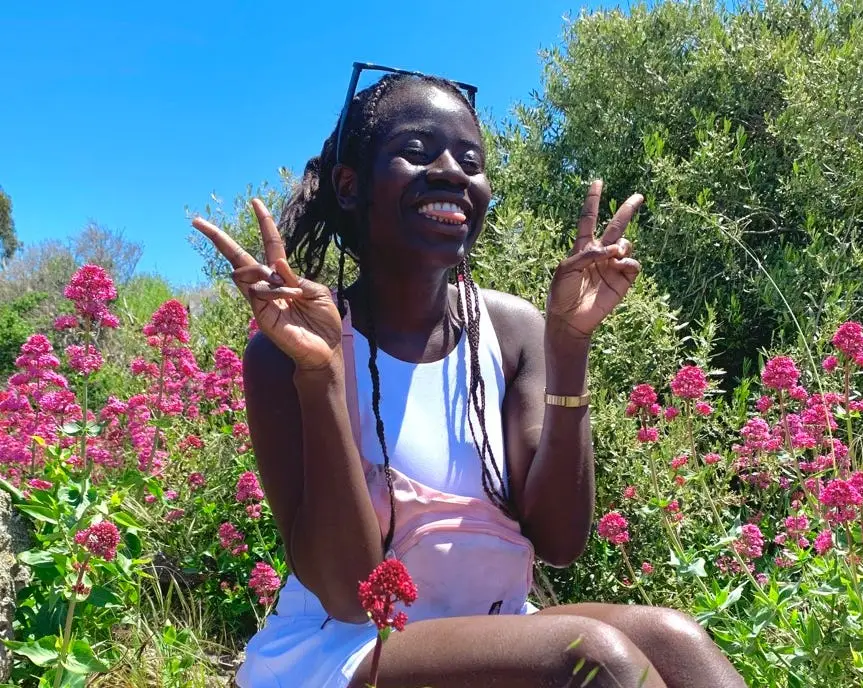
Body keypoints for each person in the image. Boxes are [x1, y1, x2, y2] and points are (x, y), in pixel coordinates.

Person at [193, 68, 746, 688]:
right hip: (345, 647)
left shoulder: (512, 330)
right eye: (416, 152)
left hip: (494, 623)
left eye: (470, 159)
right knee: (592, 658)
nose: (453, 172)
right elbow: (350, 596)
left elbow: (560, 541)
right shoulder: (286, 351)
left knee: (677, 640)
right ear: (351, 186)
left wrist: (568, 346)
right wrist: (320, 374)